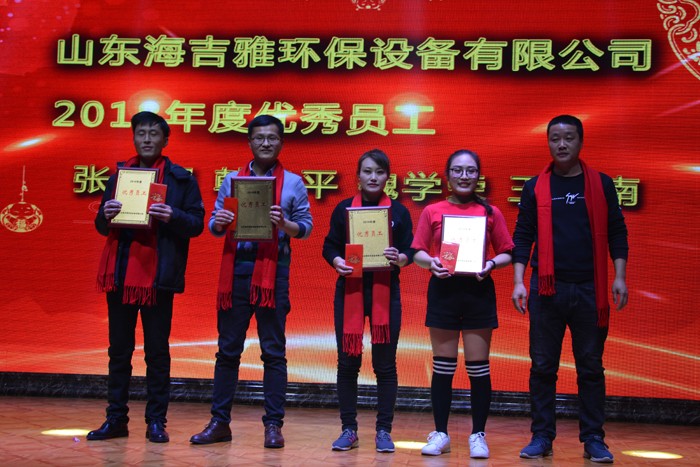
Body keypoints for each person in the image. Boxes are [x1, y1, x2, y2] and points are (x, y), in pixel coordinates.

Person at [190, 115, 313, 448]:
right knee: (228, 352)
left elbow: (306, 227)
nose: (265, 143)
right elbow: (215, 226)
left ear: (281, 142)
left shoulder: (294, 183)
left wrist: (285, 224)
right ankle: (219, 422)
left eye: (272, 138)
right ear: (249, 142)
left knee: (273, 352)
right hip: (236, 273)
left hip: (274, 274)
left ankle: (273, 425)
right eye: (259, 138)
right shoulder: (232, 181)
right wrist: (220, 221)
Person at [512, 115, 629, 463]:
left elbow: (617, 232)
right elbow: (523, 236)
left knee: (590, 367)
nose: (561, 144)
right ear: (548, 142)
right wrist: (518, 281)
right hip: (547, 289)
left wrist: (619, 276)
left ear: (581, 141)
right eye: (555, 138)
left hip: (590, 289)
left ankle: (593, 438)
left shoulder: (601, 184)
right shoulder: (535, 187)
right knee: (542, 366)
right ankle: (542, 436)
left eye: (568, 138)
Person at [89, 111, 205, 443]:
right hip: (121, 274)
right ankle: (116, 419)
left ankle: (156, 421)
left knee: (157, 353)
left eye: (154, 133)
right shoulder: (119, 177)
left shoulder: (181, 180)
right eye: (141, 133)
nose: (147, 139)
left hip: (158, 278)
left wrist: (173, 215)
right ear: (134, 138)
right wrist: (106, 215)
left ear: (165, 140)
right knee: (119, 352)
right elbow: (102, 226)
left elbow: (197, 224)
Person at [411, 149, 513, 459]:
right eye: (457, 170)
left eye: (470, 170)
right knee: (443, 366)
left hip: (478, 293)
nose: (464, 176)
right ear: (448, 176)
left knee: (478, 368)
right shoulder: (433, 211)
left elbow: (508, 252)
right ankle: (440, 433)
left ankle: (478, 435)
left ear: (478, 175)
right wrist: (431, 263)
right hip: (443, 292)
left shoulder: (490, 212)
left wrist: (491, 264)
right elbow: (417, 251)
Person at [322, 149, 414, 453]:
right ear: (358, 176)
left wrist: (400, 258)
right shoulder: (344, 209)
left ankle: (384, 431)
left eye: (379, 172)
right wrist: (337, 261)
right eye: (367, 171)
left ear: (388, 177)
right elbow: (329, 246)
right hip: (350, 290)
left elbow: (411, 250)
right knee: (347, 363)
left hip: (386, 292)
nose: (373, 177)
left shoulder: (399, 213)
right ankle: (348, 429)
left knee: (385, 365)